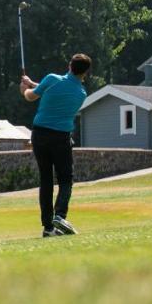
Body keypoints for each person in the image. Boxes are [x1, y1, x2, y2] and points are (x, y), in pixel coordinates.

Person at [20, 53, 92, 238]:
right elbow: (55, 89)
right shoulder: (81, 93)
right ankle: (59, 215)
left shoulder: (51, 79)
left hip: (39, 134)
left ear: (69, 65)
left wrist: (24, 88)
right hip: (61, 138)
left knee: (46, 181)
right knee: (66, 179)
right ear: (85, 73)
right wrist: (32, 82)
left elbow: (31, 96)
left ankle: (48, 227)